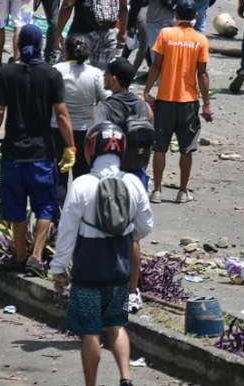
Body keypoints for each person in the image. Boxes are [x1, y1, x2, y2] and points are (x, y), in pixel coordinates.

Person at [51, 121, 153, 386]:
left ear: (91, 149)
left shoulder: (83, 184)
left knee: (90, 332)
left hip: (88, 270)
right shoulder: (133, 182)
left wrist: (58, 267)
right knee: (117, 325)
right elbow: (145, 226)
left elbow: (67, 231)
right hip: (119, 269)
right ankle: (125, 379)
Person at [0, 24, 75, 276]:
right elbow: (61, 114)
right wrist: (70, 146)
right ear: (40, 45)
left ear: (19, 44)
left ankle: (20, 256)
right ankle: (36, 256)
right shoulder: (51, 74)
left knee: (15, 206)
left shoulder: (7, 73)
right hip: (41, 153)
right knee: (45, 205)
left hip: (13, 153)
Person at [94, 57, 154, 312]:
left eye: (107, 75)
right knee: (132, 237)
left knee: (105, 233)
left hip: (112, 176)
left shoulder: (105, 107)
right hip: (138, 175)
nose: (105, 78)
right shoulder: (142, 105)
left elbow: (95, 136)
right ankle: (131, 292)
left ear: (114, 79)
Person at [143, 0, 211, 204]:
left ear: (176, 14)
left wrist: (146, 91)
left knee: (159, 147)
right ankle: (182, 191)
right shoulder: (200, 39)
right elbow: (202, 74)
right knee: (187, 148)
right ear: (194, 16)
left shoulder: (165, 34)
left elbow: (155, 66)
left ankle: (157, 191)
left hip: (165, 100)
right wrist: (207, 104)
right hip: (188, 102)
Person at [50, 36, 109, 190]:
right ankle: (81, 212)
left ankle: (58, 211)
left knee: (58, 177)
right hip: (85, 133)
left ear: (66, 50)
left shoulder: (56, 70)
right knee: (82, 179)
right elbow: (108, 98)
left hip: (57, 130)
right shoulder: (95, 73)